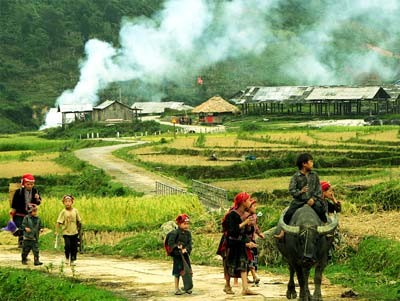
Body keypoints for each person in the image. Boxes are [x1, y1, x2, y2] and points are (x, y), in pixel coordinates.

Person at [275, 153, 327, 239]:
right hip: (299, 201)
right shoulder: (296, 176)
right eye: (311, 161)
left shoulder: (314, 175)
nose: (312, 163)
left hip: (312, 200)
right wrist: (300, 192)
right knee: (288, 213)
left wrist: (313, 199)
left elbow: (319, 190)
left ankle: (325, 229)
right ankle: (283, 232)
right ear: (304, 164)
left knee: (321, 211)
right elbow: (291, 190)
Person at [218, 192, 258, 296]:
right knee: (228, 265)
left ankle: (245, 288)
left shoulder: (246, 214)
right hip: (229, 243)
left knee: (243, 263)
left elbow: (245, 232)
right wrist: (244, 223)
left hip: (240, 242)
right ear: (243, 202)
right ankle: (227, 285)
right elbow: (232, 231)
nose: (250, 202)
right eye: (248, 200)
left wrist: (248, 241)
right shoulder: (233, 214)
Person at [10, 173, 42, 248]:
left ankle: (29, 242)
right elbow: (14, 205)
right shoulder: (18, 192)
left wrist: (37, 198)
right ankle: (21, 242)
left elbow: (38, 203)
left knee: (31, 228)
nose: (30, 186)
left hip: (30, 214)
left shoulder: (35, 191)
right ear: (24, 184)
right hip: (19, 213)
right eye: (28, 184)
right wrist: (11, 216)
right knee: (22, 227)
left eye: (31, 184)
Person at [166, 213, 192, 295]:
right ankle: (176, 289)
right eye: (184, 223)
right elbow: (170, 244)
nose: (186, 225)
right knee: (177, 272)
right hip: (177, 255)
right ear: (179, 224)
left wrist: (186, 249)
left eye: (187, 224)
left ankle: (187, 287)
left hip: (185, 255)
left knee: (187, 271)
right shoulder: (174, 233)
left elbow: (189, 244)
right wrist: (177, 247)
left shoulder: (188, 233)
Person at [55, 195, 82, 266]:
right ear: (63, 203)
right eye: (66, 201)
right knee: (67, 246)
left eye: (69, 201)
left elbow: (79, 221)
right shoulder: (63, 212)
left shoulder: (75, 211)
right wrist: (57, 231)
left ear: (72, 202)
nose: (67, 203)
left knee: (74, 246)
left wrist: (80, 229)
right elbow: (58, 222)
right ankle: (67, 258)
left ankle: (73, 259)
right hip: (66, 232)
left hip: (74, 232)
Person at [245, 199, 264, 286]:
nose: (255, 207)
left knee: (254, 257)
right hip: (245, 240)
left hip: (252, 239)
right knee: (249, 257)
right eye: (253, 206)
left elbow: (255, 227)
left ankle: (253, 275)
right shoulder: (245, 217)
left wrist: (260, 234)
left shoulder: (255, 216)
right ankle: (254, 276)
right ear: (248, 208)